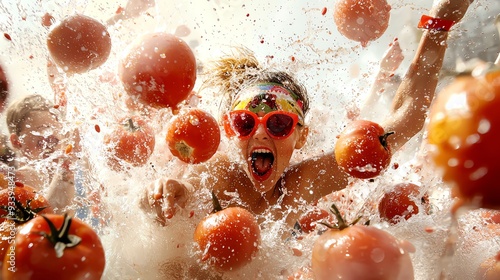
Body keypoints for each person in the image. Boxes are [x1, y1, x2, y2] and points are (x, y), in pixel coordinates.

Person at [142, 0, 473, 227]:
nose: (259, 134)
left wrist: (440, 22)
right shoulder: (220, 175)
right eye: (245, 123)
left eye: (279, 123)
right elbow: (185, 187)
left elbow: (406, 119)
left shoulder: (302, 184)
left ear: (302, 136)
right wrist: (169, 190)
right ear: (231, 132)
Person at [5, 94, 78, 212]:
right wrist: (67, 161)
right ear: (17, 141)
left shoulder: (80, 180)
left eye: (56, 140)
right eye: (42, 138)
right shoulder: (21, 179)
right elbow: (50, 222)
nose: (50, 145)